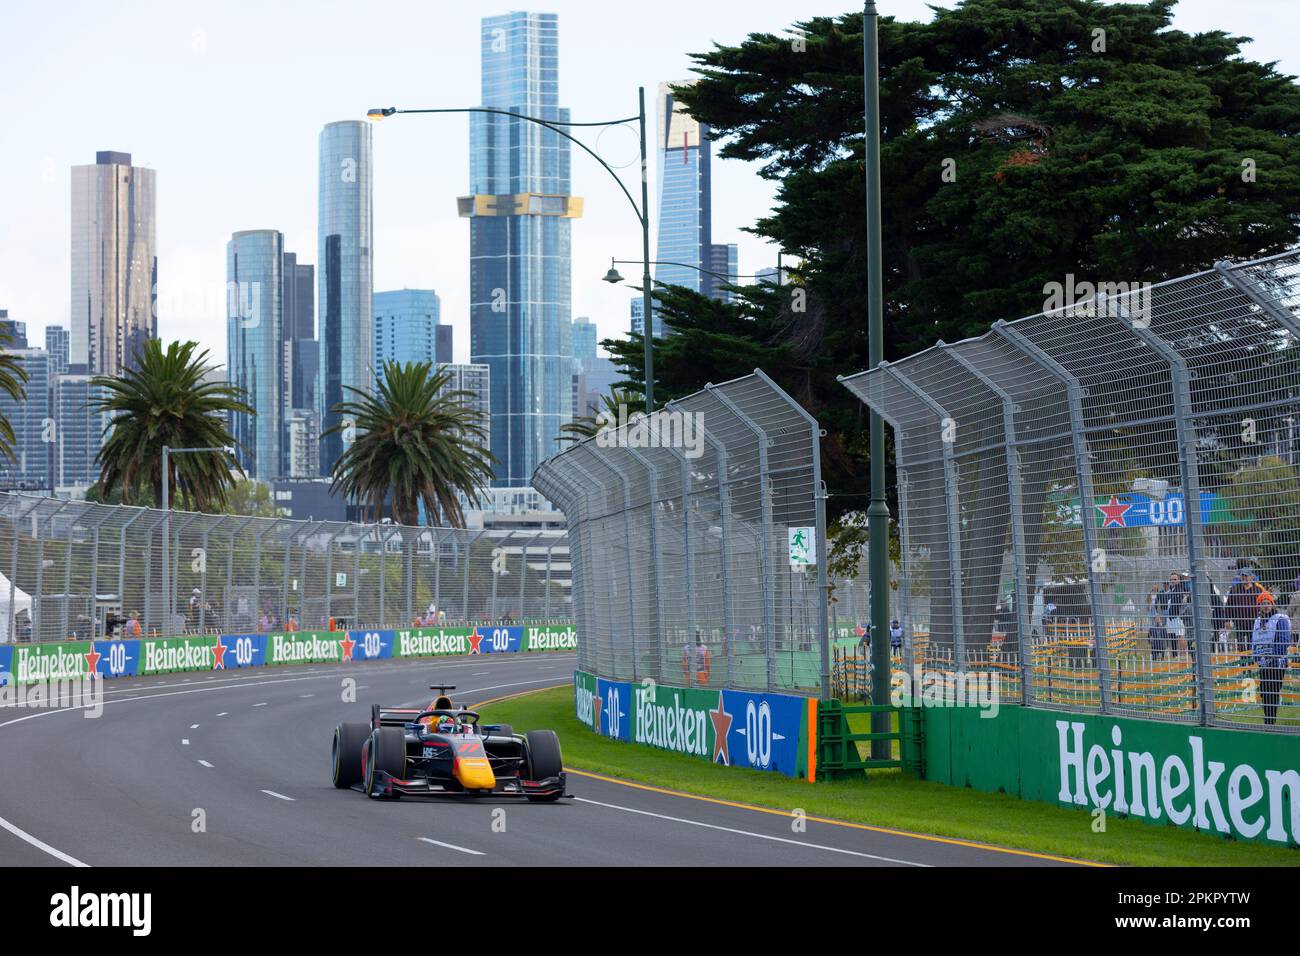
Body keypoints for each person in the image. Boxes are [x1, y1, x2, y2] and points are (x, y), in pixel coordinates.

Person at [1251, 592, 1290, 726]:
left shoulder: (1280, 619)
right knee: (1264, 692)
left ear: (1272, 604)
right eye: (1263, 603)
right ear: (1259, 606)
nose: (1266, 606)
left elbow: (1284, 641)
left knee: (1272, 691)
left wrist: (1272, 657)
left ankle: (1270, 721)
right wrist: (1256, 655)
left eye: (1268, 603)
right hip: (1263, 663)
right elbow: (1254, 640)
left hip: (1277, 663)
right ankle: (1268, 719)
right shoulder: (1257, 621)